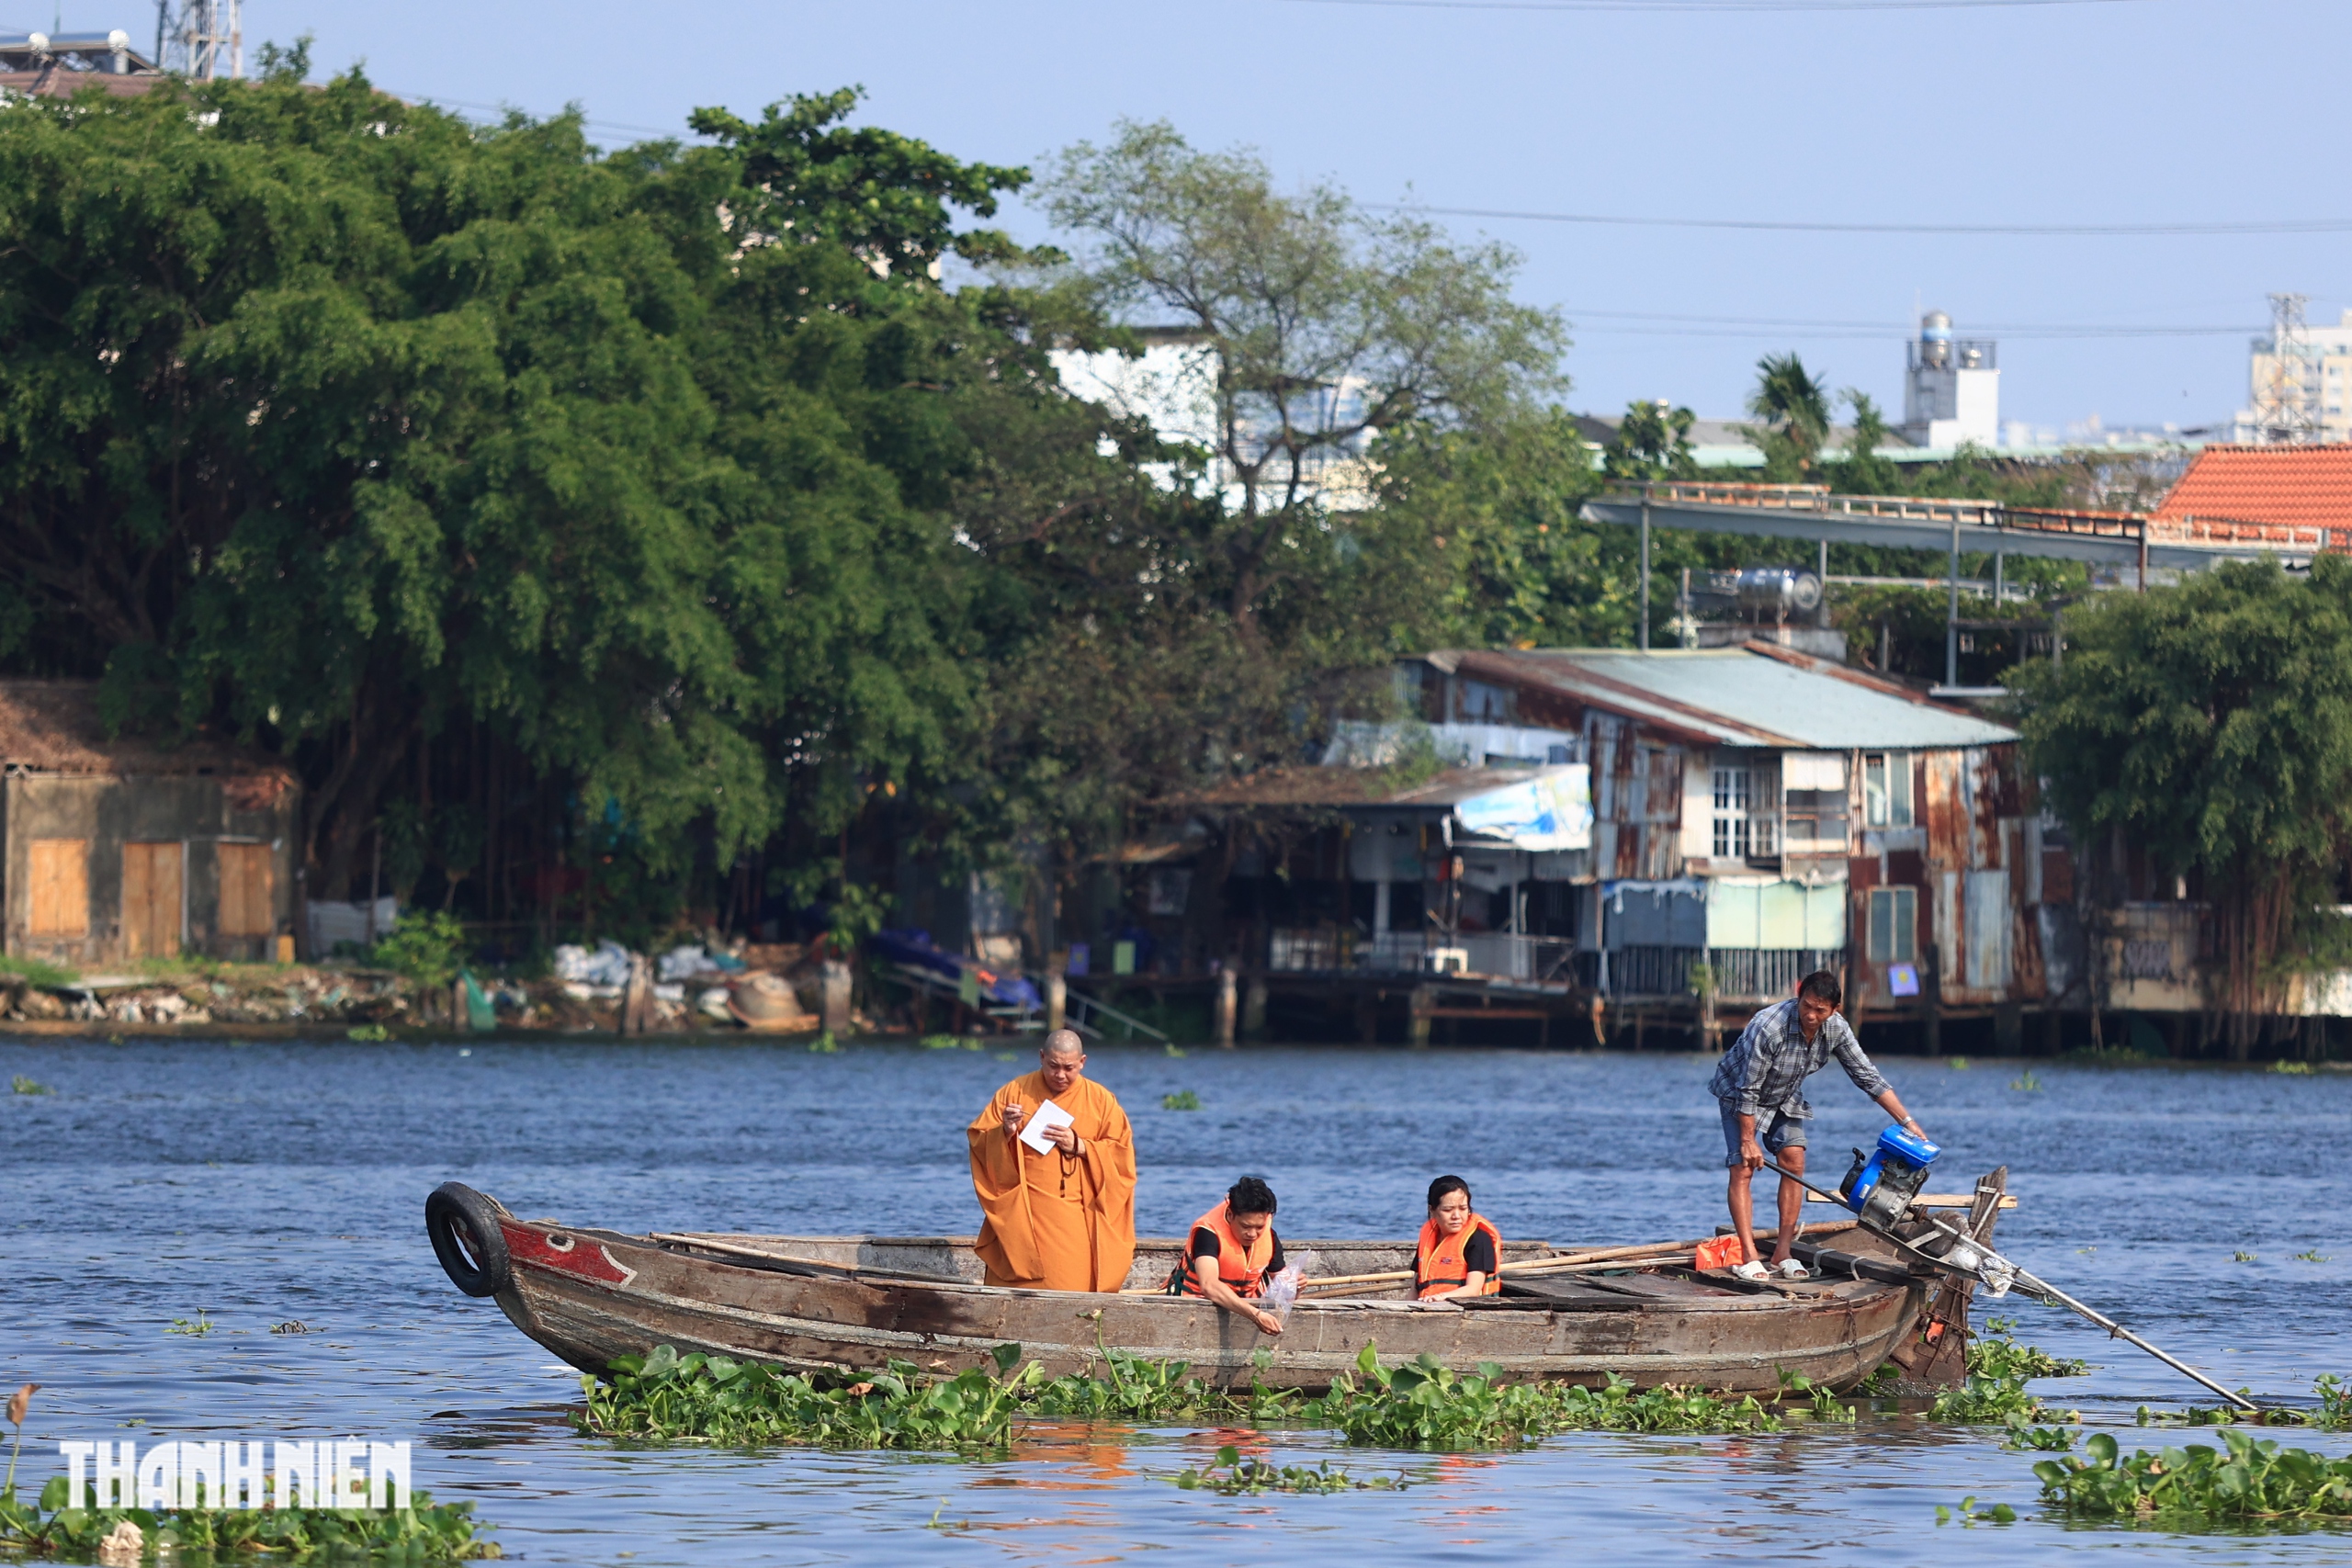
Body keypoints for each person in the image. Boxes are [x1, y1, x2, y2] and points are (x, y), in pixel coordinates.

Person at [1710, 969, 1929, 1282]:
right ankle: (1748, 1257)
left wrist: (1908, 1122)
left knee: (1794, 1160)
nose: (1811, 1015)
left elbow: (1867, 1077)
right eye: (1807, 1006)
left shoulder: (1836, 1029)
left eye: (1820, 1010)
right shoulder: (1769, 1026)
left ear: (1834, 1010)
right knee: (1743, 1167)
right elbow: (1748, 1089)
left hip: (1785, 1094)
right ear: (1799, 999)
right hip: (1739, 1093)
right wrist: (1748, 1140)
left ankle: (1782, 1253)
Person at [967, 1029, 1136, 1292]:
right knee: (1017, 1278)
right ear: (1041, 1057)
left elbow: (1121, 1158)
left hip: (1077, 1213)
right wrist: (1006, 1131)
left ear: (1082, 1062)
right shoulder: (1015, 1092)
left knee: (1073, 1284)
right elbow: (980, 1142)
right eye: (1053, 1066)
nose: (1060, 1075)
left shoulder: (1101, 1100)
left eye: (1069, 1068)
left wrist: (1080, 1146)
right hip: (1025, 1211)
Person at [1169, 1175, 1286, 1337]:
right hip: (1201, 1300)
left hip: (1250, 1301)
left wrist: (1294, 1285)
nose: (1253, 1234)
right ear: (1230, 1215)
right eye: (1246, 1226)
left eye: (1259, 1227)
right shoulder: (1208, 1233)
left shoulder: (1269, 1235)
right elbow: (1209, 1285)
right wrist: (1255, 1315)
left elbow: (1281, 1282)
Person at [1415, 1175, 1502, 1300]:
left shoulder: (1479, 1239)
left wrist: (1441, 1297)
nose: (1456, 1216)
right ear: (1432, 1210)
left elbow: (1473, 1289)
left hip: (1468, 1310)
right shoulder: (1428, 1236)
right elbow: (1415, 1286)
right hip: (1430, 1307)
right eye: (1448, 1210)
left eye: (1463, 1208)